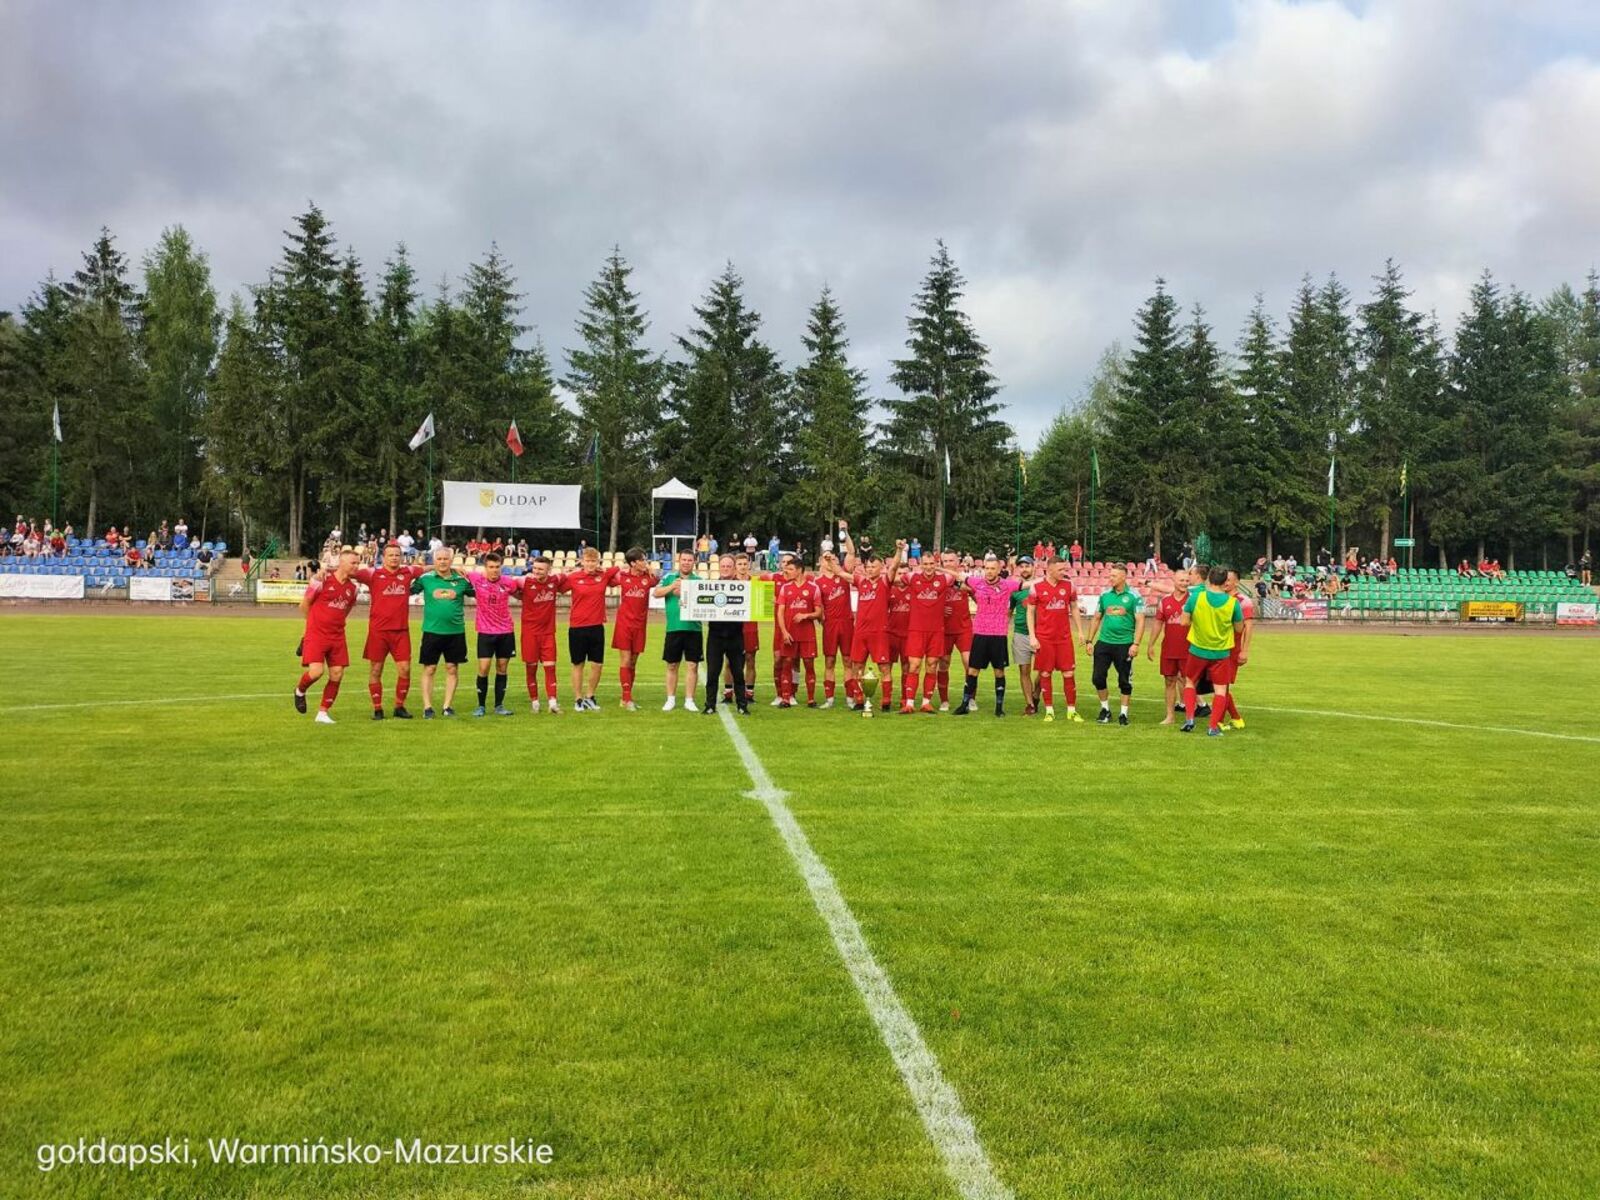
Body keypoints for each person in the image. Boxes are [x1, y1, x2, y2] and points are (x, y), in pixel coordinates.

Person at [356, 542, 424, 719]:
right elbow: (349, 571)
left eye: (397, 555)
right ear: (383, 557)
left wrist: (454, 568)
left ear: (401, 557)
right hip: (378, 632)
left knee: (405, 669)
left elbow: (429, 568)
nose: (394, 558)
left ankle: (399, 707)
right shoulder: (373, 574)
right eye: (390, 555)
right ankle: (377, 708)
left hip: (401, 631)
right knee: (376, 670)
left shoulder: (407, 573)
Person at [832, 533, 898, 717]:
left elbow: (894, 567)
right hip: (860, 632)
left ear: (881, 568)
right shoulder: (861, 581)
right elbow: (839, 573)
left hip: (879, 632)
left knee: (884, 668)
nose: (869, 569)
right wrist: (830, 561)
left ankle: (886, 701)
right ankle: (859, 700)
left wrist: (899, 550)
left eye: (873, 566)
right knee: (856, 666)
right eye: (867, 566)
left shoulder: (885, 582)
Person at [294, 548, 361, 724]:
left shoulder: (353, 589)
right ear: (341, 562)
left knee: (337, 674)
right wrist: (310, 628)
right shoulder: (321, 580)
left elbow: (345, 611)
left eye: (358, 563)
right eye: (353, 563)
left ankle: (323, 713)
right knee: (316, 672)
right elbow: (304, 605)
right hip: (317, 634)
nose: (357, 566)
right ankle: (300, 691)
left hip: (338, 636)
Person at [1178, 566, 1244, 736]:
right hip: (1220, 652)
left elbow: (1184, 622)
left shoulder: (1196, 598)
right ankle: (1213, 727)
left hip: (1198, 649)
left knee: (1190, 683)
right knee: (1220, 690)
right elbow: (1239, 629)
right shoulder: (1232, 603)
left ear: (1209, 579)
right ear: (1224, 582)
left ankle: (1190, 719)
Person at [409, 546, 474, 718]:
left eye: (446, 559)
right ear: (434, 561)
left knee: (452, 668)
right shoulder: (426, 579)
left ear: (451, 561)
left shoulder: (461, 580)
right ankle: (427, 707)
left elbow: (478, 592)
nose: (443, 562)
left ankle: (447, 706)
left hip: (455, 632)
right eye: (439, 559)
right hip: (432, 631)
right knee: (429, 668)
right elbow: (406, 589)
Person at [959, 554, 1022, 717]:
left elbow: (1027, 584)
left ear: (999, 570)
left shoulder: (1007, 585)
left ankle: (999, 708)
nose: (989, 571)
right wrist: (937, 568)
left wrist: (1048, 577)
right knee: (972, 671)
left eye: (992, 568)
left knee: (999, 671)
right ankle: (964, 704)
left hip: (998, 635)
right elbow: (958, 576)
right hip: (980, 633)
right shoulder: (977, 582)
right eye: (986, 568)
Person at [1026, 556, 1086, 722]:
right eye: (1060, 569)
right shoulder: (1036, 587)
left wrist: (1080, 631)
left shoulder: (1069, 585)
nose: (1064, 572)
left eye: (1064, 569)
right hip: (1044, 638)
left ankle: (1071, 710)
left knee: (1069, 672)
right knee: (1045, 673)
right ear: (1050, 569)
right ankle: (1049, 710)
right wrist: (1032, 636)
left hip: (1064, 638)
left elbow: (1073, 607)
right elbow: (1030, 612)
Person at [1085, 565, 1145, 725]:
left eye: (1114, 576)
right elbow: (1097, 617)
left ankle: (1123, 713)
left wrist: (1136, 644)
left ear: (1124, 577)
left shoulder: (1134, 596)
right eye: (1110, 575)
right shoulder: (1105, 595)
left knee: (1124, 680)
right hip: (1104, 643)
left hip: (1125, 644)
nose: (1110, 578)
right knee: (1098, 677)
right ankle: (1105, 710)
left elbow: (1140, 621)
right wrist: (1089, 640)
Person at [564, 547, 621, 712]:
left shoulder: (603, 576)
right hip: (577, 627)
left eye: (593, 561)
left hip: (597, 627)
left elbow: (617, 569)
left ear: (598, 562)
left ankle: (590, 696)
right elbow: (558, 586)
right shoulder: (574, 577)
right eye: (587, 561)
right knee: (578, 664)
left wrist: (603, 569)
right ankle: (578, 698)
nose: (590, 564)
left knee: (597, 664)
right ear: (582, 561)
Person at [900, 550, 955, 714]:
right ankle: (909, 703)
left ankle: (926, 702)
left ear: (936, 564)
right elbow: (895, 577)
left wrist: (942, 569)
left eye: (932, 564)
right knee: (914, 665)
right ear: (920, 564)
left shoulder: (943, 579)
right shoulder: (912, 578)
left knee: (931, 666)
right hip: (916, 629)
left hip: (936, 631)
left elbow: (957, 575)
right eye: (926, 564)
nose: (929, 567)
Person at [465, 551, 520, 717]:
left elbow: (522, 592)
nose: (494, 570)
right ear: (485, 567)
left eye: (497, 567)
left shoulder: (509, 583)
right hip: (485, 631)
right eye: (491, 567)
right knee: (484, 667)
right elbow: (459, 571)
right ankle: (481, 706)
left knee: (502, 668)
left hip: (505, 631)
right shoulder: (476, 579)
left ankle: (499, 705)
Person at [653, 549, 703, 712]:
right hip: (673, 628)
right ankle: (671, 699)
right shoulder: (669, 577)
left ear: (693, 562)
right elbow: (656, 593)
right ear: (679, 561)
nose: (686, 562)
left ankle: (689, 700)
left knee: (692, 665)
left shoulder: (699, 580)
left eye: (690, 560)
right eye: (684, 560)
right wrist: (672, 587)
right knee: (672, 665)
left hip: (693, 629)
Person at [513, 556, 564, 713]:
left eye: (540, 569)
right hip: (529, 633)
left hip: (548, 633)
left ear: (549, 570)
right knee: (531, 668)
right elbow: (508, 584)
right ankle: (535, 703)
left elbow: (568, 577)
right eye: (534, 568)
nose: (536, 571)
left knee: (550, 668)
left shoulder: (555, 580)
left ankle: (553, 703)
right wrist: (519, 595)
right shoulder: (524, 581)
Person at [612, 548, 657, 710]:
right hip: (624, 624)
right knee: (625, 660)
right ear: (633, 563)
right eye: (642, 560)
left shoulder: (648, 578)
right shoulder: (622, 576)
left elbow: (658, 581)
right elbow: (607, 579)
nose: (645, 562)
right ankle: (627, 699)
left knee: (633, 662)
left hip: (640, 625)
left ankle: (626, 697)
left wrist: (651, 571)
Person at [773, 556, 822, 708]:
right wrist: (784, 632)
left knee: (808, 664)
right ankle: (786, 698)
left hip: (807, 634)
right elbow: (780, 613)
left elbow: (819, 612)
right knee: (787, 662)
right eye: (786, 569)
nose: (787, 572)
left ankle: (811, 699)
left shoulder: (813, 588)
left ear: (800, 570)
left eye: (790, 569)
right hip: (790, 633)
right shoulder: (785, 588)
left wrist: (806, 615)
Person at [814, 545, 855, 708]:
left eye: (832, 557)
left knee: (847, 660)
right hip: (830, 625)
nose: (829, 560)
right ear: (819, 562)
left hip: (846, 623)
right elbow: (817, 606)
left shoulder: (844, 575)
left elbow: (852, 552)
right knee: (829, 661)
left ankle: (850, 698)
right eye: (825, 558)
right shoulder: (817, 582)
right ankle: (829, 698)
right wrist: (821, 620)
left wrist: (845, 532)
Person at [1149, 568, 1191, 726]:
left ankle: (1189, 716)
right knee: (1169, 681)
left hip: (1189, 649)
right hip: (1169, 649)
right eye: (1181, 581)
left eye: (1187, 581)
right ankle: (1170, 716)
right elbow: (1158, 623)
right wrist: (1151, 644)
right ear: (1174, 581)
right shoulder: (1165, 601)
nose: (1184, 584)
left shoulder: (1193, 600)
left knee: (1189, 682)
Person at [937, 550, 974, 711]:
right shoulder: (937, 580)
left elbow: (975, 593)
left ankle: (971, 698)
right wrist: (939, 608)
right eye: (945, 561)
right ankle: (944, 700)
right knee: (943, 663)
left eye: (951, 560)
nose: (948, 563)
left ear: (957, 562)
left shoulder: (964, 578)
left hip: (964, 628)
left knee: (969, 663)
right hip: (944, 629)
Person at [1219, 569, 1254, 730]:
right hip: (1217, 646)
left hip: (1232, 648)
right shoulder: (1218, 598)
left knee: (1222, 684)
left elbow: (1248, 627)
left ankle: (1221, 720)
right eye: (1224, 579)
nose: (1226, 582)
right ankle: (1235, 717)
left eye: (1229, 580)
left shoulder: (1243, 601)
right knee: (1219, 684)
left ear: (1237, 582)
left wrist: (1244, 651)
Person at [1008, 557, 1038, 715]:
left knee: (1043, 671)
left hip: (1041, 634)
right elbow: (1009, 611)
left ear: (1034, 567)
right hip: (1021, 633)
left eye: (1027, 566)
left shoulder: (1041, 586)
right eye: (1022, 566)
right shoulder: (1015, 589)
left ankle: (1036, 694)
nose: (1024, 569)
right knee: (1024, 670)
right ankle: (1030, 704)